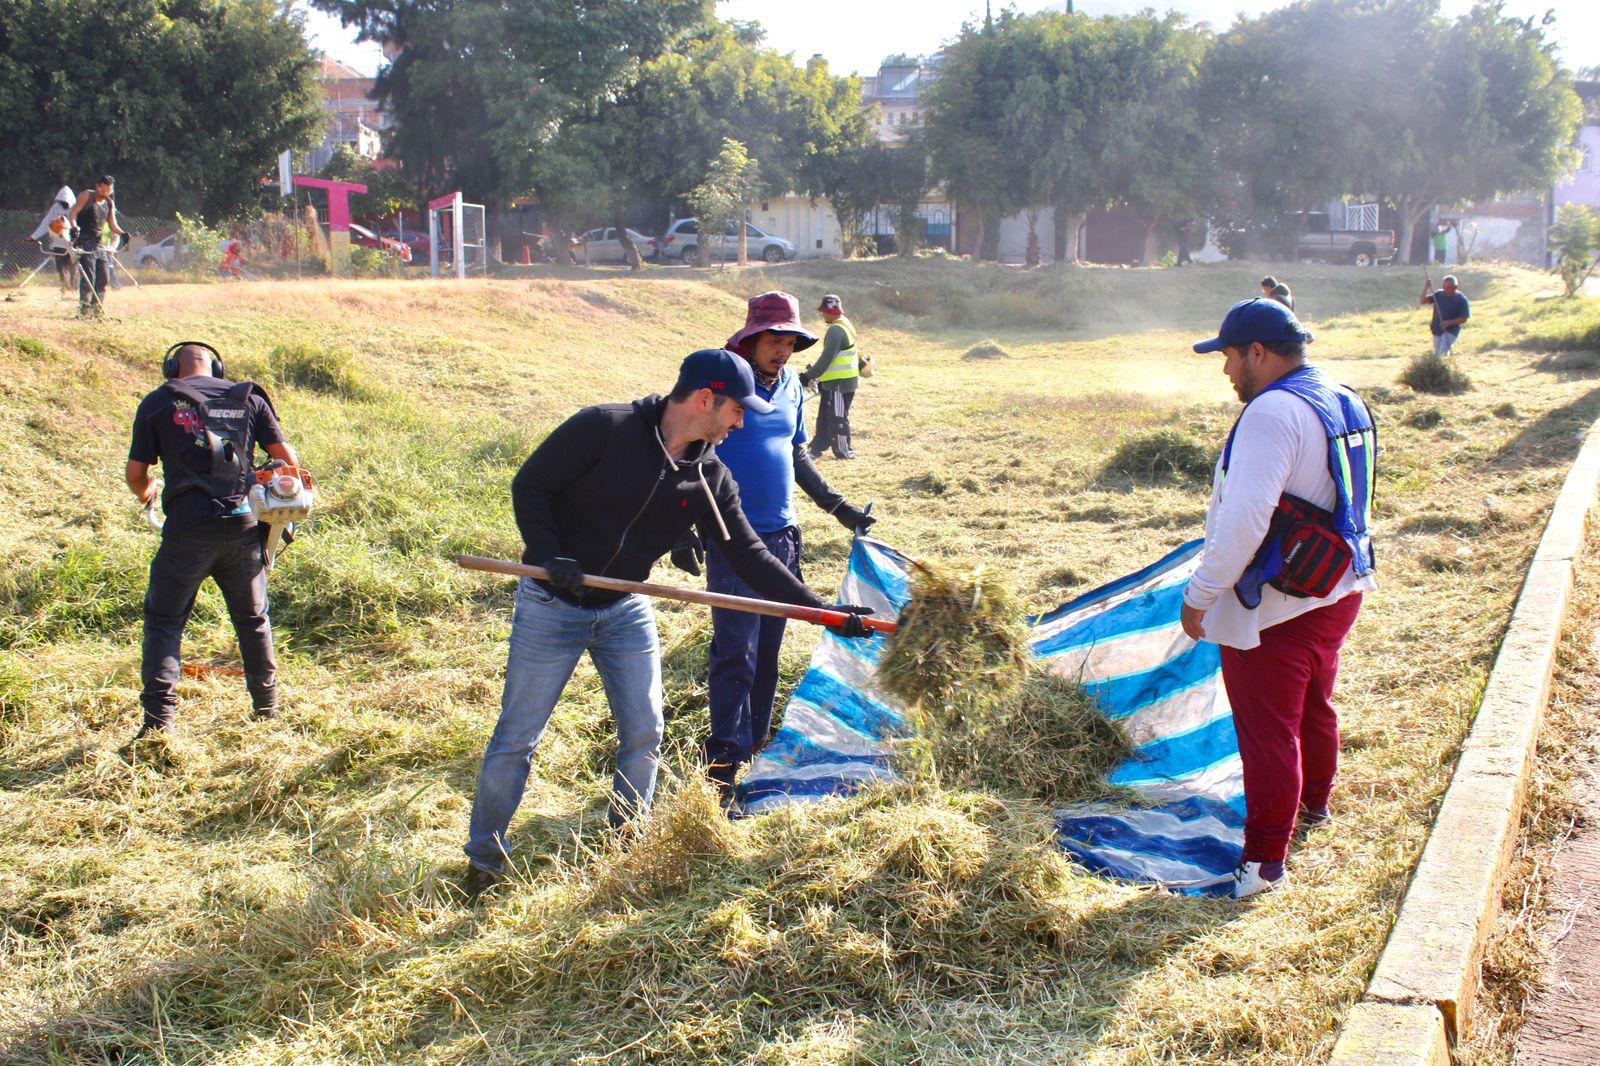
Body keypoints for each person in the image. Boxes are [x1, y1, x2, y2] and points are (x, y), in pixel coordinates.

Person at [461, 348, 874, 898]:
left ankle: (627, 843)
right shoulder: (602, 429)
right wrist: (548, 552)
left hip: (625, 606)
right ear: (706, 399)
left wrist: (823, 610)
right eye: (735, 411)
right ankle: (484, 859)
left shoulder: (708, 475)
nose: (740, 422)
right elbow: (531, 485)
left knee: (645, 732)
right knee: (517, 737)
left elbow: (750, 555)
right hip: (551, 607)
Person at [1180, 299, 1376, 899]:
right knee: (1315, 703)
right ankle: (1315, 806)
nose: (1226, 371)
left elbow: (1243, 519)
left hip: (1276, 599)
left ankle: (1263, 863)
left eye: (1230, 357)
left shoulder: (1270, 413)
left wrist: (1201, 593)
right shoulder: (1344, 397)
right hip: (1336, 585)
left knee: (1269, 731)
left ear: (1257, 353)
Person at [689, 291, 879, 801]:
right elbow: (685, 451)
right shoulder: (723, 382)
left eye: (790, 341)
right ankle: (723, 757)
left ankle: (754, 743)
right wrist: (684, 524)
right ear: (751, 339)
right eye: (774, 340)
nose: (783, 350)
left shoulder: (794, 383)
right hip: (733, 536)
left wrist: (839, 508)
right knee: (737, 650)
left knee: (770, 648)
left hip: (783, 533)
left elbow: (796, 453)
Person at [125, 343, 301, 743]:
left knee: (165, 622)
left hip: (187, 529)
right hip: (242, 525)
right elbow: (287, 461)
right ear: (218, 368)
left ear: (173, 367)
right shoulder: (249, 398)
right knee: (253, 619)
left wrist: (147, 491)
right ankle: (267, 710)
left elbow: (137, 473)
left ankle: (158, 724)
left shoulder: (157, 402)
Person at [798, 294, 861, 460]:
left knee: (837, 418)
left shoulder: (836, 330)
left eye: (823, 311)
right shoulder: (845, 324)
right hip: (832, 382)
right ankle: (816, 448)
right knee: (825, 417)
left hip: (839, 383)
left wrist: (808, 376)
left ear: (829, 312)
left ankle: (844, 452)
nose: (822, 315)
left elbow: (827, 358)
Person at [69, 176, 123, 316]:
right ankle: (85, 309)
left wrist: (123, 234)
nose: (106, 194)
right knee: (88, 276)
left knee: (104, 277)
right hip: (84, 241)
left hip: (99, 244)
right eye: (104, 190)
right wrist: (74, 227)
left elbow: (112, 225)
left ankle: (97, 308)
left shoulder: (109, 203)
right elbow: (73, 213)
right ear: (98, 186)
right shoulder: (86, 196)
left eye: (109, 191)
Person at [29, 185, 76, 296]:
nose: (65, 204)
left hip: (73, 243)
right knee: (61, 267)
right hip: (58, 243)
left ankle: (74, 290)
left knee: (74, 267)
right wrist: (34, 236)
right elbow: (46, 223)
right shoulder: (56, 208)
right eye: (62, 201)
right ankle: (64, 289)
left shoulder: (76, 208)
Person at [1420, 274, 1470, 357]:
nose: (1445, 290)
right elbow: (1423, 301)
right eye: (1444, 287)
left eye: (1448, 288)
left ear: (1455, 287)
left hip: (1451, 331)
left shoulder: (1461, 300)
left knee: (1441, 354)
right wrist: (1426, 288)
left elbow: (1464, 319)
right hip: (1437, 329)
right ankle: (1443, 368)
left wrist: (1449, 322)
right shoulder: (1439, 294)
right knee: (1438, 354)